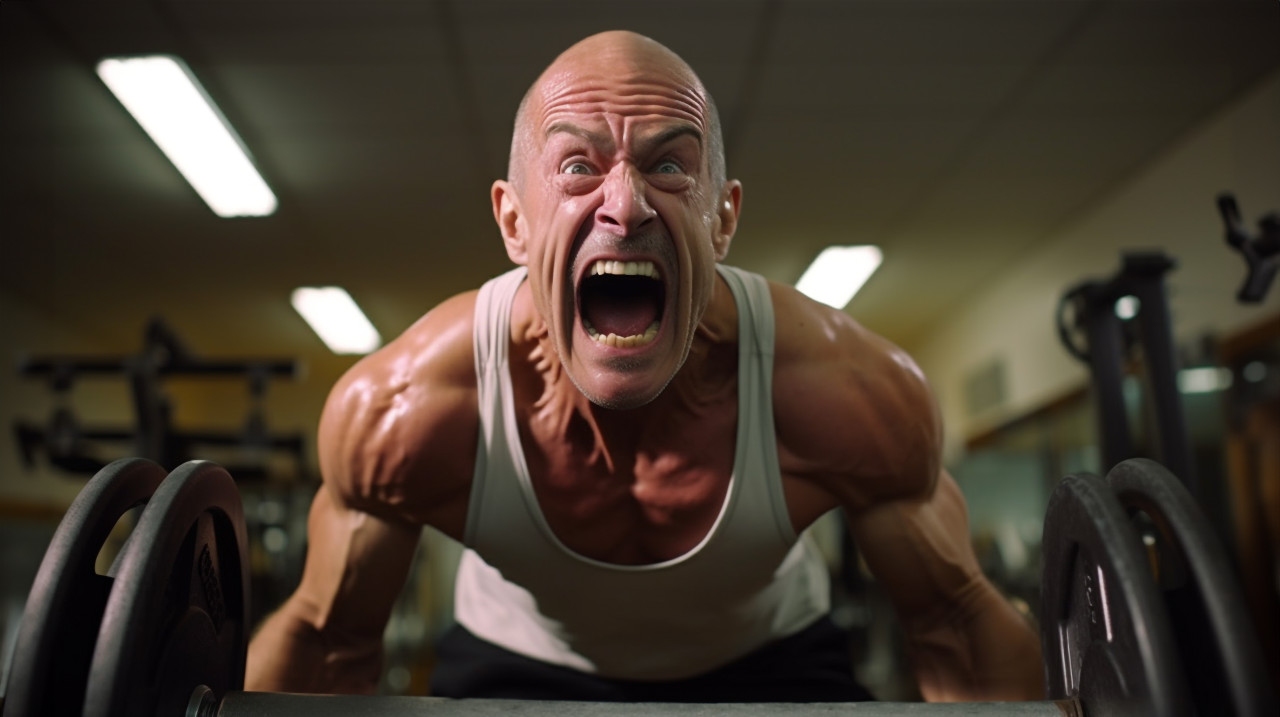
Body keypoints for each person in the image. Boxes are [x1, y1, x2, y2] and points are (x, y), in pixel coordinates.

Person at [245, 30, 1044, 703]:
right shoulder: (408, 406)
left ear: (722, 219)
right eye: (577, 167)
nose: (624, 207)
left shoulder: (845, 390)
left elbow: (957, 627)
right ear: (514, 222)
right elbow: (326, 643)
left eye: (669, 166)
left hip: (769, 657)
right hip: (520, 660)